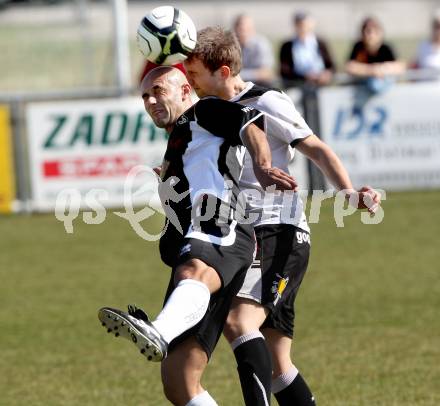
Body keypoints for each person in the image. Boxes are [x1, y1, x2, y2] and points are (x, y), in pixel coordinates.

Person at [183, 26, 381, 406]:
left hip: (280, 231)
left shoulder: (266, 100)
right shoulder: (213, 114)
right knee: (277, 365)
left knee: (239, 322)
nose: (189, 81)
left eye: (194, 73)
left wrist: (349, 192)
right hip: (248, 234)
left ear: (223, 71)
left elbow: (317, 148)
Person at [98, 66, 297, 406]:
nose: (150, 100)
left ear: (185, 90)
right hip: (201, 241)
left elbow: (250, 121)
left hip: (223, 219)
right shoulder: (179, 140)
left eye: (158, 89)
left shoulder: (202, 111)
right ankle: (163, 327)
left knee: (193, 272)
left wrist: (263, 166)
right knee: (178, 379)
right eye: (145, 95)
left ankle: (158, 330)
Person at [345, 16, 406, 93]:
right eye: (368, 32)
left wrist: (382, 69)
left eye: (375, 32)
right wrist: (371, 71)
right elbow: (350, 67)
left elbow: (400, 67)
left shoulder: (386, 48)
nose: (372, 36)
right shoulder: (358, 47)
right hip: (360, 92)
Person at [279, 11, 335, 88]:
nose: (303, 28)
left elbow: (331, 65)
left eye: (305, 24)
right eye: (300, 25)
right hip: (297, 84)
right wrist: (305, 76)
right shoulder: (287, 45)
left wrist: (326, 74)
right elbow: (284, 70)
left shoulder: (321, 43)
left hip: (321, 85)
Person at [233, 13, 275, 87]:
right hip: (238, 86)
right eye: (240, 29)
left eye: (246, 29)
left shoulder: (262, 44)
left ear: (252, 29)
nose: (242, 33)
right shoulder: (232, 46)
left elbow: (266, 73)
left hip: (259, 87)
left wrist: (239, 75)